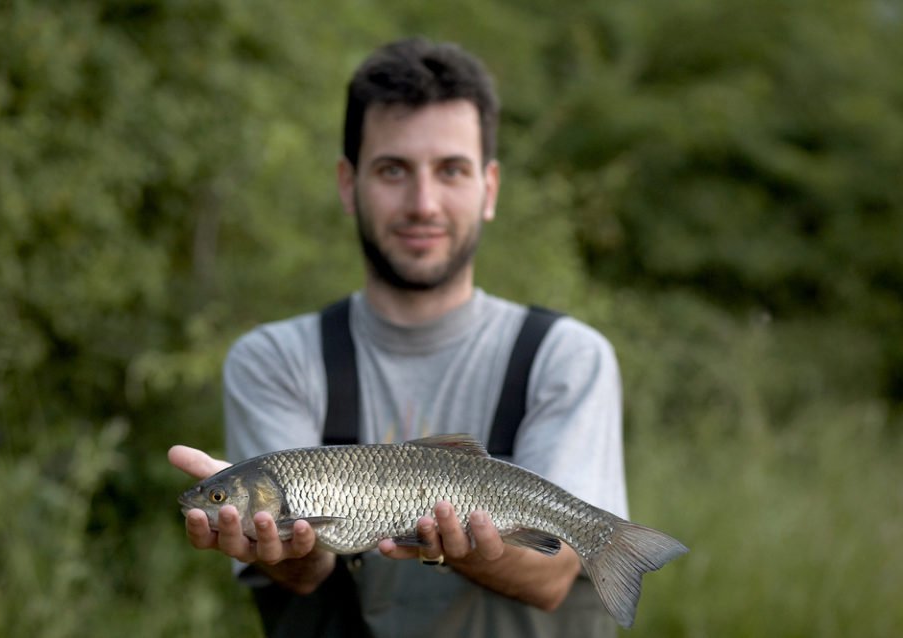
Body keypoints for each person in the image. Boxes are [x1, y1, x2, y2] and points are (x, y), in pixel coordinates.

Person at [170, 37, 628, 637]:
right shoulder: (274, 360)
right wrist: (282, 542)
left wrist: (460, 541)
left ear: (489, 189)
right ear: (347, 183)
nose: (423, 203)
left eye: (451, 170)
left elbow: (551, 578)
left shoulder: (567, 357)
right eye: (393, 170)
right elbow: (304, 571)